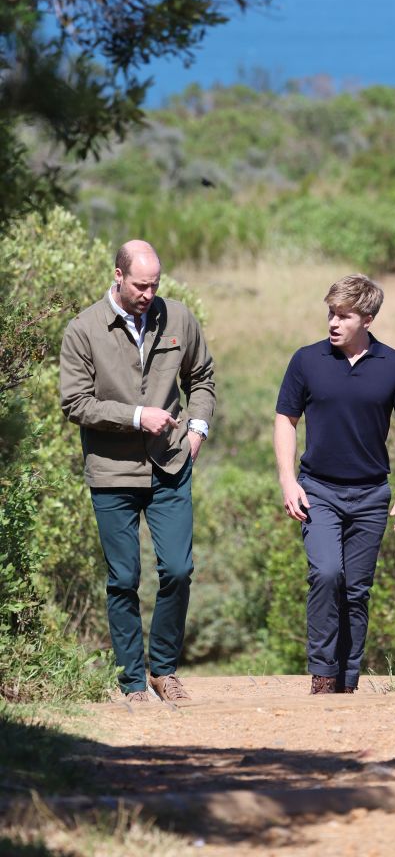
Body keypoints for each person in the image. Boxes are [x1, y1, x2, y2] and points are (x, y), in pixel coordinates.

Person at [60, 240, 215, 703]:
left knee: (179, 570)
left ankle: (163, 670)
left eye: (155, 285)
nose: (149, 294)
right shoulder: (83, 329)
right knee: (124, 578)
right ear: (118, 276)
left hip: (170, 463)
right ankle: (132, 680)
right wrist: (135, 416)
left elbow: (202, 378)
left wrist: (197, 430)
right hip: (111, 472)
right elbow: (75, 403)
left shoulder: (179, 318)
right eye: (140, 285)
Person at [274, 274, 395, 695]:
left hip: (372, 494)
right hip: (317, 490)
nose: (333, 323)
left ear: (369, 319)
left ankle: (347, 681)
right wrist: (288, 481)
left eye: (344, 315)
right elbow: (285, 420)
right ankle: (323, 675)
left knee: (356, 590)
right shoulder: (307, 360)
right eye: (330, 314)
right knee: (325, 574)